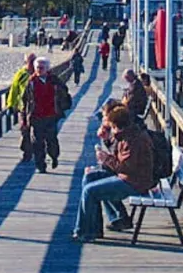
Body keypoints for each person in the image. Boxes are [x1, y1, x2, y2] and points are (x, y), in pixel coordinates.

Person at [74, 104, 154, 241]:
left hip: (134, 182)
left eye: (112, 126)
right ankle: (94, 229)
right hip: (129, 177)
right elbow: (120, 162)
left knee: (89, 191)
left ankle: (85, 232)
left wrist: (105, 159)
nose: (112, 129)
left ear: (117, 125)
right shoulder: (127, 135)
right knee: (90, 177)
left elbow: (126, 167)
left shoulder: (133, 140)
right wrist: (106, 149)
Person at [26, 56, 67, 172]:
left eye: (42, 68)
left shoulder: (54, 80)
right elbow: (25, 100)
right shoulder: (31, 82)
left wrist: (61, 105)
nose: (39, 70)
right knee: (37, 142)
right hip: (36, 116)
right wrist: (25, 117)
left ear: (47, 68)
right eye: (37, 68)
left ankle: (54, 157)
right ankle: (41, 165)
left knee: (51, 140)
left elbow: (64, 92)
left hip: (51, 115)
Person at [7, 51, 36, 162]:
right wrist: (11, 105)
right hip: (23, 107)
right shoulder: (21, 74)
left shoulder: (40, 72)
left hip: (37, 107)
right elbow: (14, 90)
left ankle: (36, 150)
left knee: (36, 130)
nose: (31, 64)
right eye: (30, 61)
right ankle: (26, 152)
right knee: (24, 129)